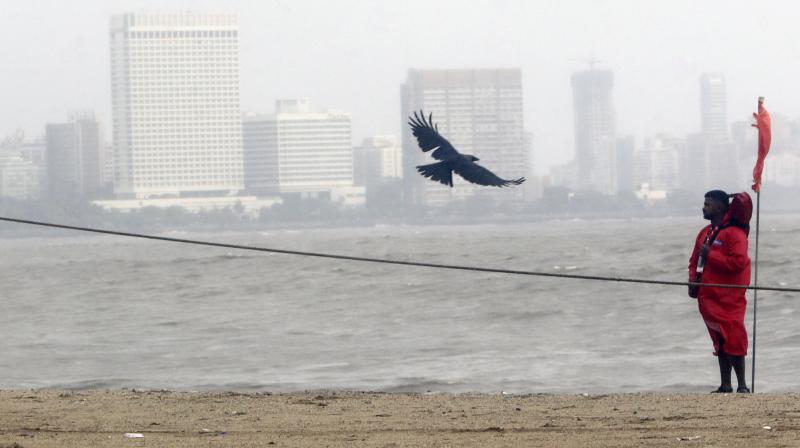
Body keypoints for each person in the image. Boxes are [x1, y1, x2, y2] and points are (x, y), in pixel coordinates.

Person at [688, 190, 752, 393]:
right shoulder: (704, 232)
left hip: (729, 298)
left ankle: (742, 385)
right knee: (719, 341)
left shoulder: (735, 233)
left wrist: (712, 255)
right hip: (708, 297)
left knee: (735, 338)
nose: (704, 208)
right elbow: (694, 260)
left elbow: (738, 263)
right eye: (704, 203)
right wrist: (692, 280)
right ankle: (726, 384)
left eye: (708, 204)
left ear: (720, 207)